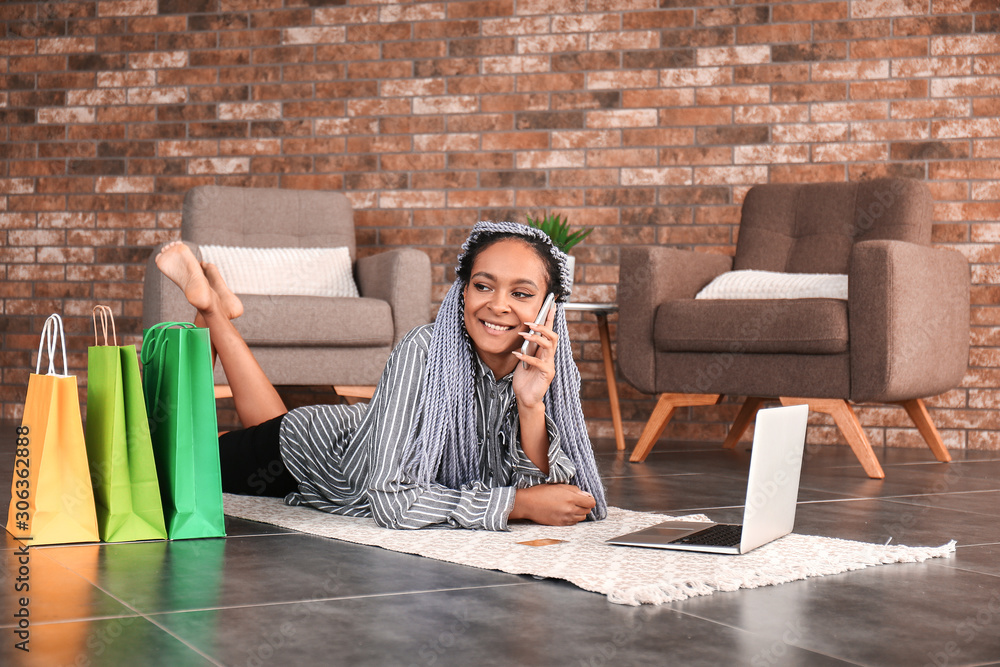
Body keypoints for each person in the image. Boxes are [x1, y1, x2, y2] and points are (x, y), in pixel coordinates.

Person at [154, 221, 607, 531]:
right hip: (314, 451)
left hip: (355, 434)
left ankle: (216, 310)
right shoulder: (424, 351)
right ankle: (210, 308)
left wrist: (530, 405)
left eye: (522, 293)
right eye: (483, 285)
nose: (498, 304)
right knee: (172, 462)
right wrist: (516, 505)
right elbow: (391, 499)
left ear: (549, 310)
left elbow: (554, 491)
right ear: (462, 291)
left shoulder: (549, 374)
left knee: (262, 421)